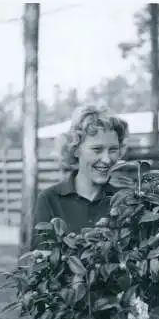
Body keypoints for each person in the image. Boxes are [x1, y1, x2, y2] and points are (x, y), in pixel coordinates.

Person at [31, 105, 129, 250]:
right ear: (75, 149)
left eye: (113, 150)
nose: (107, 159)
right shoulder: (50, 199)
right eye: (97, 149)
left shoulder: (124, 200)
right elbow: (40, 262)